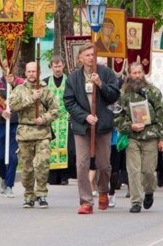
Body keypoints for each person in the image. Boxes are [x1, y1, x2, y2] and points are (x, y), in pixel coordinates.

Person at [63, 42, 120, 214]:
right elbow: (69, 102)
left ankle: (103, 190)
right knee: (82, 164)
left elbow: (114, 95)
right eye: (87, 55)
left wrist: (101, 84)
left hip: (102, 125)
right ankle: (86, 201)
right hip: (82, 126)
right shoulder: (73, 78)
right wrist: (84, 116)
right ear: (80, 58)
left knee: (104, 164)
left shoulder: (106, 73)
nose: (90, 58)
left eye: (93, 55)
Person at [115, 62, 163, 213]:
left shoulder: (153, 91)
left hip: (150, 135)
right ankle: (136, 201)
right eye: (134, 73)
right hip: (132, 136)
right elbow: (117, 116)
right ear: (129, 74)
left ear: (143, 73)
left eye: (139, 72)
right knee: (133, 170)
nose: (137, 76)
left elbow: (162, 114)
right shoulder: (123, 94)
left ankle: (149, 191)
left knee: (148, 171)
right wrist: (129, 126)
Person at [9, 62, 59, 208]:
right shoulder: (19, 89)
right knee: (27, 167)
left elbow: (55, 110)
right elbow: (13, 105)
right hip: (25, 132)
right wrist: (31, 98)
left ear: (39, 73)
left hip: (42, 133)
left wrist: (44, 118)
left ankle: (41, 193)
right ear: (25, 73)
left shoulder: (46, 90)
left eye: (34, 71)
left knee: (42, 163)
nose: (31, 74)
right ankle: (29, 195)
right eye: (29, 71)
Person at [0, 59, 25, 198]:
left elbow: (24, 99)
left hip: (16, 123)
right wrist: (1, 112)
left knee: (13, 157)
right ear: (1, 68)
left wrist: (13, 84)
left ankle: (9, 185)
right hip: (0, 124)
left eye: (11, 66)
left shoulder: (21, 83)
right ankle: (3, 177)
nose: (8, 69)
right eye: (5, 67)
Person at [44, 55, 75, 186]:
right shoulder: (45, 82)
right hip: (51, 119)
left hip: (65, 119)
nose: (57, 69)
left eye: (59, 66)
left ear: (63, 66)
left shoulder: (70, 81)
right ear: (51, 67)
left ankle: (64, 176)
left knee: (67, 148)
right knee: (50, 147)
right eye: (55, 66)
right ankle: (52, 177)